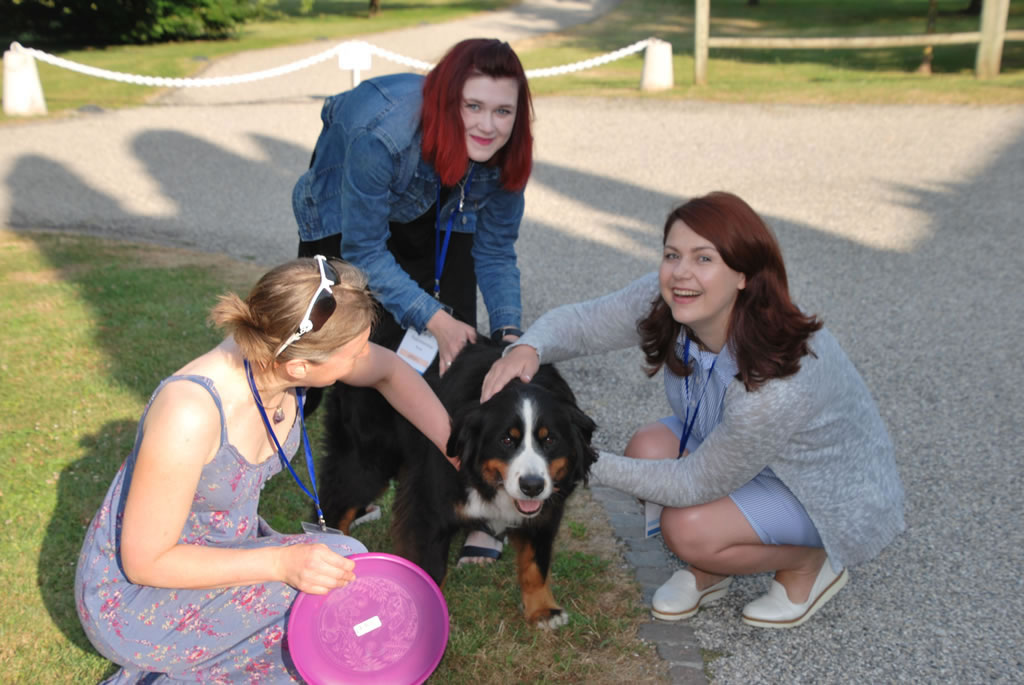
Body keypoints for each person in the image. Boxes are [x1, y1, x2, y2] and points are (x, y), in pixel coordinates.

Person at [481, 191, 905, 629]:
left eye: (705, 259)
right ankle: (711, 572)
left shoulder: (775, 385)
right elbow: (587, 323)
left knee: (686, 527)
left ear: (744, 274)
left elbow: (693, 482)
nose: (681, 272)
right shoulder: (671, 299)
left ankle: (811, 562)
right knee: (647, 449)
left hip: (820, 490)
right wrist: (529, 346)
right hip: (742, 454)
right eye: (672, 254)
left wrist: (576, 463)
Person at [75, 256, 454, 682]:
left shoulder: (279, 355)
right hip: (142, 595)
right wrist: (280, 563)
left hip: (224, 553)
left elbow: (390, 373)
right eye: (353, 354)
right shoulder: (189, 413)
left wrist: (453, 445)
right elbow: (147, 562)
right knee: (327, 604)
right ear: (300, 367)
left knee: (347, 565)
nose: (364, 359)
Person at [292, 38, 534, 563]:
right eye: (474, 106)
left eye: (503, 111)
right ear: (449, 102)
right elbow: (364, 251)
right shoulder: (381, 136)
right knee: (339, 344)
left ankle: (477, 505)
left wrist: (513, 337)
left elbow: (495, 252)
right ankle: (341, 490)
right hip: (347, 210)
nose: (489, 125)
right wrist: (431, 316)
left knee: (464, 357)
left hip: (445, 202)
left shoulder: (504, 153)